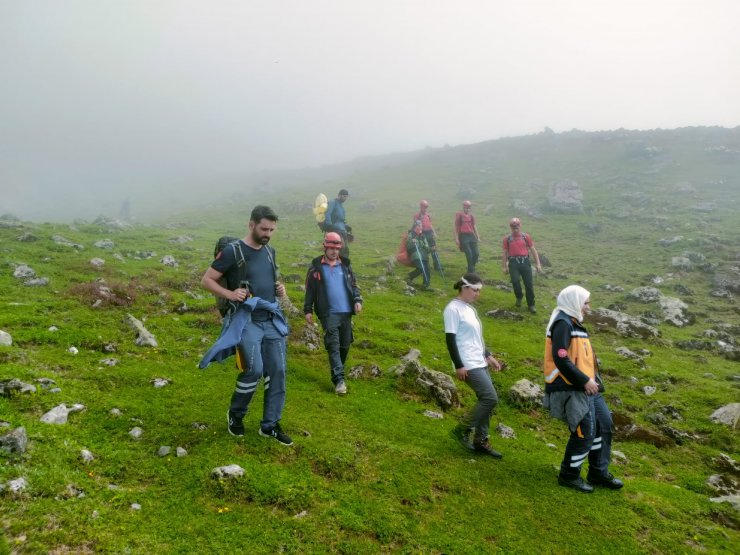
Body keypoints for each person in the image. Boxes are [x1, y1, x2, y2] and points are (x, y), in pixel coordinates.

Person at [201, 205, 293, 446]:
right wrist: (230, 294)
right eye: (264, 228)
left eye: (272, 229)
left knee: (278, 371)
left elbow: (267, 279)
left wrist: (279, 289)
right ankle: (236, 415)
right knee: (253, 369)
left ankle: (270, 425)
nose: (268, 234)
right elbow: (206, 279)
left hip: (271, 319)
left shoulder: (270, 251)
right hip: (246, 320)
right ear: (251, 224)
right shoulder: (233, 251)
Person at [543, 285, 623, 493]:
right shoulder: (563, 323)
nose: (588, 307)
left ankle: (598, 472)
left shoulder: (574, 322)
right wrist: (583, 381)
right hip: (574, 388)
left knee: (604, 425)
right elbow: (561, 358)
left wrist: (593, 380)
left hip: (589, 387)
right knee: (584, 432)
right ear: (574, 302)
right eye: (585, 303)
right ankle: (569, 475)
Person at [445, 273, 504, 458]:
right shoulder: (452, 309)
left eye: (479, 291)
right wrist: (459, 365)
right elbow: (450, 340)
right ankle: (462, 429)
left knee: (486, 400)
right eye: (475, 290)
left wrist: (488, 356)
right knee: (490, 398)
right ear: (464, 288)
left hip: (479, 360)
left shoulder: (469, 309)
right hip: (468, 363)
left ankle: (481, 441)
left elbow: (476, 337)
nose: (477, 294)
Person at [304, 232, 363, 396]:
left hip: (346, 313)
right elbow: (310, 290)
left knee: (345, 345)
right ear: (325, 247)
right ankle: (339, 380)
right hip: (328, 313)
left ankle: (337, 372)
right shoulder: (316, 267)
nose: (334, 252)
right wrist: (308, 309)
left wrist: (357, 300)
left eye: (337, 248)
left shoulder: (346, 266)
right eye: (331, 248)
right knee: (333, 345)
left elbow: (354, 285)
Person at [502, 217, 542, 314]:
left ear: (520, 226)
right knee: (515, 282)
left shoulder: (525, 237)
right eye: (513, 226)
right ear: (511, 227)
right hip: (513, 263)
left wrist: (538, 264)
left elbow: (533, 250)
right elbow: (505, 253)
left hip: (525, 262)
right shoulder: (507, 239)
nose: (515, 228)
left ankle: (531, 305)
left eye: (517, 226)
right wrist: (504, 266)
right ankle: (519, 297)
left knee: (528, 284)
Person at [453, 200, 480, 274]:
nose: (467, 209)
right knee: (469, 253)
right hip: (463, 236)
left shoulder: (471, 216)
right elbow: (456, 226)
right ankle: (471, 271)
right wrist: (456, 238)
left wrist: (478, 236)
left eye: (468, 208)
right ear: (463, 207)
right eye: (466, 207)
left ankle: (471, 268)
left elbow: (474, 226)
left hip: (471, 235)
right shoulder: (459, 215)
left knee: (476, 253)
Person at [413, 200, 440, 270]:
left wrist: (434, 232)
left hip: (429, 233)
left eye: (426, 207)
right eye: (424, 207)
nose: (425, 209)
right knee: (424, 250)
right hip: (422, 234)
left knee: (434, 248)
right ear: (421, 207)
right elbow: (415, 226)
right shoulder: (417, 215)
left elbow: (430, 224)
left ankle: (437, 265)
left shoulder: (428, 215)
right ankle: (425, 266)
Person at [324, 188, 351, 258]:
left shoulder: (341, 206)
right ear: (339, 195)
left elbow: (340, 220)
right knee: (341, 247)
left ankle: (344, 265)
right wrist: (329, 225)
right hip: (335, 229)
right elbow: (327, 213)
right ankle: (337, 264)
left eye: (346, 196)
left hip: (342, 230)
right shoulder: (333, 203)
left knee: (345, 248)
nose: (345, 198)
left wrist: (346, 226)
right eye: (344, 196)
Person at [406, 220, 431, 289]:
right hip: (416, 255)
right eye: (419, 226)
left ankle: (426, 285)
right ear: (415, 227)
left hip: (424, 256)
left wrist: (431, 249)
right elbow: (408, 246)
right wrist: (412, 242)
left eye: (421, 226)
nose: (420, 227)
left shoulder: (423, 236)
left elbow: (427, 248)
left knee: (427, 270)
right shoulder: (411, 234)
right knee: (421, 268)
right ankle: (409, 277)